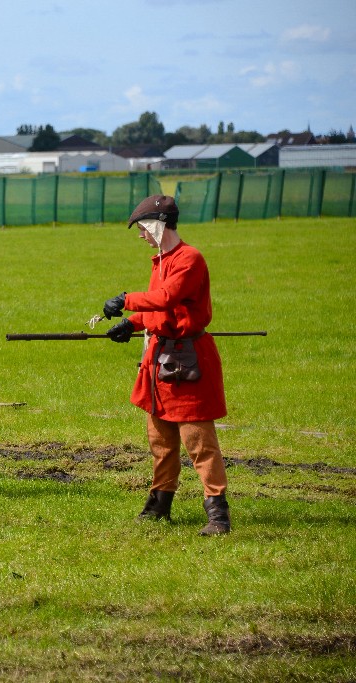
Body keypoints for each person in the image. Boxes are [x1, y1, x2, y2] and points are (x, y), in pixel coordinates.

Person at [103, 194, 231, 535]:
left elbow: (167, 298)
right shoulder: (160, 260)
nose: (142, 236)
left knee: (199, 443)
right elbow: (159, 309)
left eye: (144, 229)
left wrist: (125, 300)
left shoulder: (190, 259)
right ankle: (160, 505)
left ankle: (218, 514)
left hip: (189, 363)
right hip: (160, 362)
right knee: (160, 440)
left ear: (158, 225)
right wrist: (131, 323)